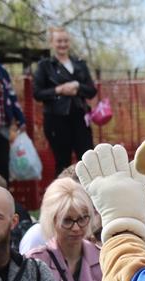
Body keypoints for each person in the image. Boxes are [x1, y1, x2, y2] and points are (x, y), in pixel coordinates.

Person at [32, 27, 96, 178]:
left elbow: (92, 90)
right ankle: (63, 198)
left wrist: (77, 86)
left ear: (70, 42)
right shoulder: (45, 66)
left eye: (65, 40)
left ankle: (89, 199)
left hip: (80, 118)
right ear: (52, 43)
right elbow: (37, 93)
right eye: (59, 41)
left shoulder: (80, 64)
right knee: (63, 162)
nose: (62, 44)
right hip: (56, 119)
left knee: (88, 160)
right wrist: (59, 90)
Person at [0, 59, 26, 181]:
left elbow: (11, 94)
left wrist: (20, 118)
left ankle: (4, 196)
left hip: (1, 124)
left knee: (3, 162)